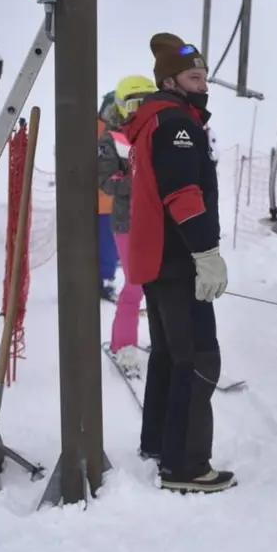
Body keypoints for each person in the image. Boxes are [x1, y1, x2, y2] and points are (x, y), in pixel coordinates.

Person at [123, 32, 235, 494]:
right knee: (199, 357)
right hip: (177, 259)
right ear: (170, 81)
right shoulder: (177, 126)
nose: (203, 85)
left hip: (158, 258)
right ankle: (185, 465)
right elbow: (183, 195)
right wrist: (206, 254)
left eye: (205, 76)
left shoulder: (155, 120)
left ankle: (159, 442)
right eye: (194, 77)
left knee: (170, 354)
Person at [97, 74, 156, 377]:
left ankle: (165, 340)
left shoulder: (162, 134)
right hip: (128, 222)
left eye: (147, 103)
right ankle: (124, 345)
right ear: (121, 106)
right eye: (134, 104)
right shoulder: (112, 140)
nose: (140, 111)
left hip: (160, 223)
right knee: (135, 285)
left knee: (162, 285)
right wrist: (138, 179)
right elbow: (105, 181)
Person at [97, 94, 120, 302]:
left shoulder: (117, 131)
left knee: (108, 243)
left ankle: (104, 279)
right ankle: (104, 280)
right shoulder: (109, 132)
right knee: (108, 243)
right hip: (105, 201)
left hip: (107, 201)